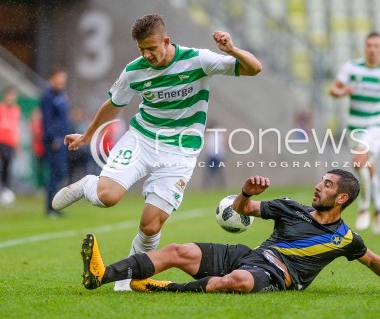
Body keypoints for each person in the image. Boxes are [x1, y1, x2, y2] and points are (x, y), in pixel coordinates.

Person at [52, 14, 262, 290]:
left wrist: (232, 50)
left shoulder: (197, 60)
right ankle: (88, 185)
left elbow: (254, 69)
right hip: (142, 140)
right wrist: (87, 136)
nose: (147, 54)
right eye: (141, 49)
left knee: (151, 226)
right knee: (107, 197)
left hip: (180, 152)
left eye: (152, 48)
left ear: (166, 41)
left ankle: (127, 279)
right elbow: (114, 105)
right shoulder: (134, 71)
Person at [80, 169, 380, 293]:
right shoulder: (292, 206)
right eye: (320, 181)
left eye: (326, 185)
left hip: (277, 275)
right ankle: (101, 274)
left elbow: (372, 260)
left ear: (341, 198)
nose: (317, 187)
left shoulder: (346, 239)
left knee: (241, 282)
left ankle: (164, 289)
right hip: (252, 257)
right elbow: (243, 211)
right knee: (178, 250)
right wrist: (246, 192)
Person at [330, 31, 380, 234]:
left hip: (378, 126)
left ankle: (363, 208)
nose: (372, 49)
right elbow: (333, 90)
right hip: (355, 127)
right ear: (365, 47)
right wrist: (342, 91)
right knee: (366, 165)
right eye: (369, 46)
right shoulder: (352, 68)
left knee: (357, 162)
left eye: (376, 46)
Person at [40, 67, 70, 218]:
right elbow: (47, 120)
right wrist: (53, 138)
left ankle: (56, 205)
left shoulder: (62, 95)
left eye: (63, 79)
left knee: (61, 173)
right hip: (55, 142)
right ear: (52, 79)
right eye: (59, 79)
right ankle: (51, 207)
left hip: (63, 140)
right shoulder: (48, 96)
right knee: (55, 173)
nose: (62, 82)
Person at [0, 86, 21, 206]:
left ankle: (5, 190)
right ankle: (4, 189)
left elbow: (15, 128)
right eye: (10, 95)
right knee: (5, 161)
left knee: (7, 165)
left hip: (11, 142)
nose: (11, 98)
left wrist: (17, 145)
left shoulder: (16, 110)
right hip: (0, 141)